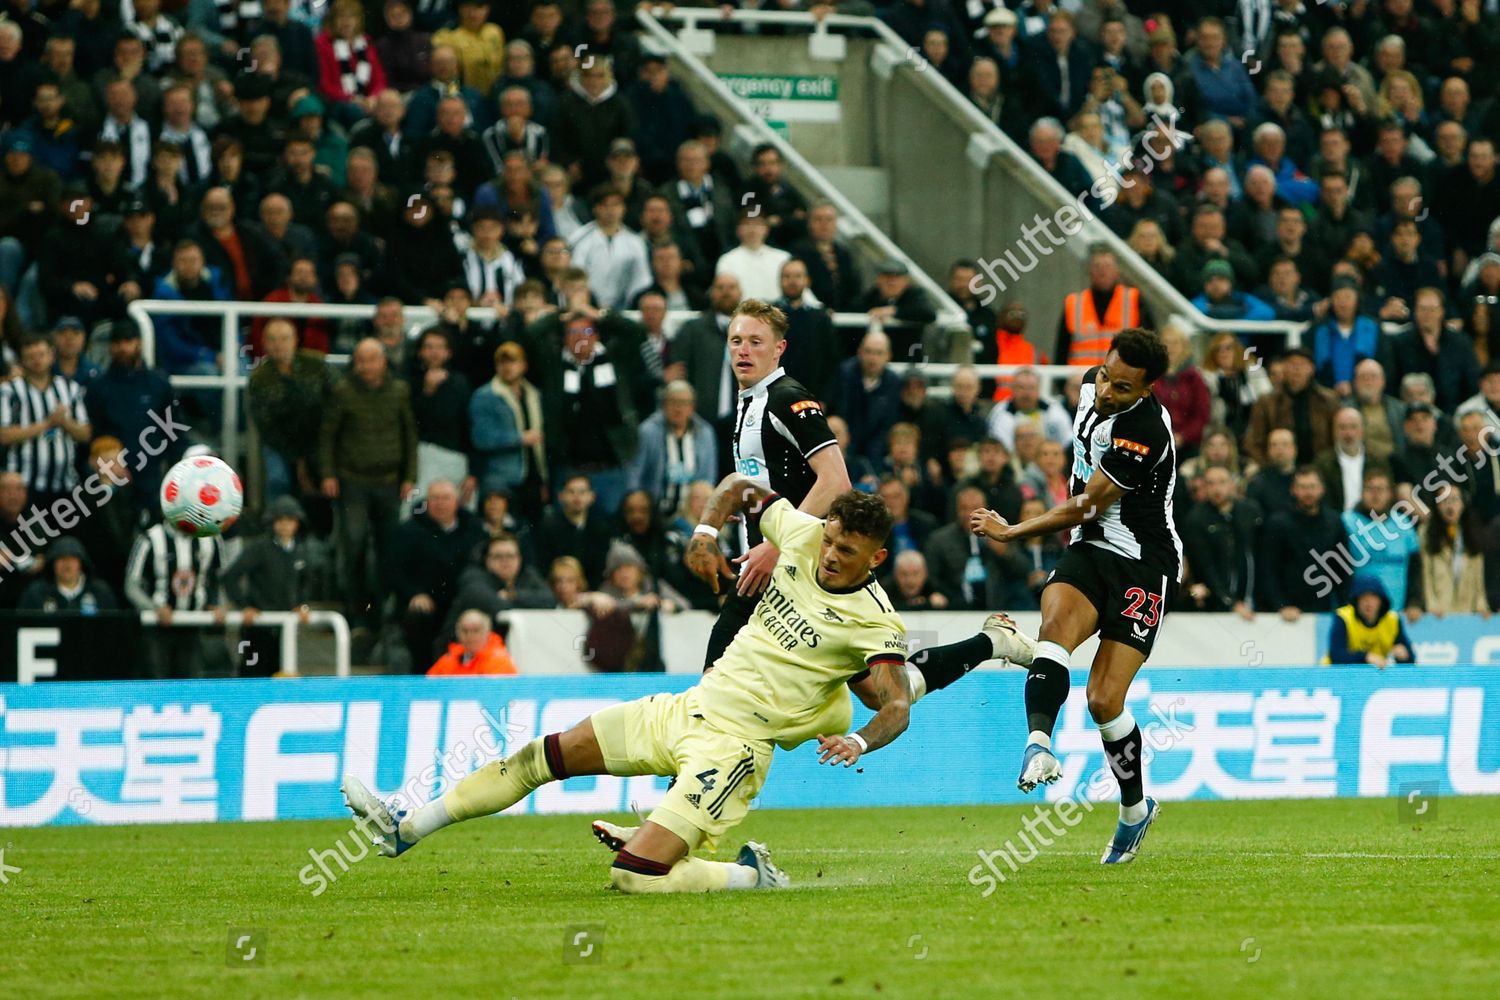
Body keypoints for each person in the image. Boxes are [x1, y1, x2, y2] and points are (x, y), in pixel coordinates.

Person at [342, 483, 911, 893]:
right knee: (540, 756)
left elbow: (897, 703)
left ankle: (746, 875)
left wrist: (859, 741)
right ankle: (406, 828)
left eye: (847, 551)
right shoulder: (801, 532)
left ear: (877, 558)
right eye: (831, 540)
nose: (830, 555)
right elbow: (740, 487)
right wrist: (705, 533)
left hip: (733, 750)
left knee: (633, 878)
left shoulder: (875, 622)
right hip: (685, 709)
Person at [970, 328, 1177, 864]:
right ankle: (1038, 743)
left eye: (1124, 388)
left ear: (1149, 389)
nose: (1108, 392)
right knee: (1054, 628)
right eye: (1107, 376)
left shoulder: (1145, 431)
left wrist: (1013, 530)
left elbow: (1087, 504)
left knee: (1105, 700)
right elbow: (1085, 513)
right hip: (1088, 550)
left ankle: (1135, 809)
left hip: (1141, 562)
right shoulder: (1090, 387)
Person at [700, 299, 851, 672]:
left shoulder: (788, 398)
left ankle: (988, 644)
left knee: (716, 677)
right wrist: (751, 510)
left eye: (756, 341)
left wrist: (779, 542)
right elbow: (777, 479)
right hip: (766, 566)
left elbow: (836, 482)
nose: (744, 350)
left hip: (793, 565)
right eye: (736, 341)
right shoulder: (748, 400)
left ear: (778, 349)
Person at [318, 338, 418, 636]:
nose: (366, 366)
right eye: (361, 360)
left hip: (390, 482)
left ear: (383, 362)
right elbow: (327, 436)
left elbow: (409, 435)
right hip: (353, 482)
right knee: (354, 543)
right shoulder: (342, 391)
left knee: (391, 548)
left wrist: (410, 475)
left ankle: (387, 611)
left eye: (372, 359)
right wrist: (328, 474)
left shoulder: (400, 391)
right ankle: (356, 612)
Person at [220, 496, 331, 676]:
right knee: (250, 673)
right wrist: (244, 606)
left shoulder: (301, 551)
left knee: (281, 674)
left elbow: (308, 582)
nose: (284, 525)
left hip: (284, 628)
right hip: (256, 628)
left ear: (298, 523)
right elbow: (230, 576)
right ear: (272, 522)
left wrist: (302, 605)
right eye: (280, 519)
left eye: (290, 519)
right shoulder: (259, 548)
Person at [387, 478, 487, 672]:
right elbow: (393, 570)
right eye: (435, 498)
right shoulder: (408, 531)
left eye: (446, 498)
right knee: (417, 618)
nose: (440, 503)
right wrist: (413, 594)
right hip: (425, 601)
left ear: (457, 502)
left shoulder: (474, 529)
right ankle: (422, 674)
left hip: (463, 600)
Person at [0, 334, 91, 512]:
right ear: (22, 360)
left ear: (52, 355)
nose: (37, 361)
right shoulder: (10, 391)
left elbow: (85, 433)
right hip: (25, 485)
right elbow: (3, 435)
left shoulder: (70, 388)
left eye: (41, 355)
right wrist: (46, 424)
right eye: (31, 357)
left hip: (65, 483)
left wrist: (64, 422)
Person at [1181, 465, 1260, 618]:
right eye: (1210, 483)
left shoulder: (1250, 511)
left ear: (1232, 484)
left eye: (1222, 482)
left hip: (1252, 598)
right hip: (1214, 605)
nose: (1217, 489)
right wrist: (1230, 602)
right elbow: (1205, 567)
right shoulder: (1196, 519)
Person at [1414, 488, 1490, 617]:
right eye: (1444, 501)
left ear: (1463, 504)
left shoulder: (1473, 533)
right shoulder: (1425, 533)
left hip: (1467, 611)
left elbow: (1478, 575)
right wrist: (1431, 605)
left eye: (1454, 500)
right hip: (1439, 612)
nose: (1450, 506)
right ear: (1437, 506)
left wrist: (1481, 605)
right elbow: (1425, 574)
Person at [1325, 574, 1415, 668]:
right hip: (1336, 676)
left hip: (1373, 678)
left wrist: (1404, 656)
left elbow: (1411, 659)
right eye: (1363, 597)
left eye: (1373, 597)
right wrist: (1366, 657)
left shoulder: (1392, 620)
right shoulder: (1343, 617)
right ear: (1356, 600)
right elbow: (1337, 656)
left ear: (1381, 601)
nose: (1368, 602)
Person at [18, 535, 118, 612]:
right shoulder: (36, 594)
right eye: (61, 558)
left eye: (72, 558)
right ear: (53, 564)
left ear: (81, 563)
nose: (67, 565)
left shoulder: (100, 592)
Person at [427, 608, 518, 676]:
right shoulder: (449, 660)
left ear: (487, 632)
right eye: (465, 631)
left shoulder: (500, 662)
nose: (469, 636)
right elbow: (427, 686)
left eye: (475, 630)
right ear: (457, 633)